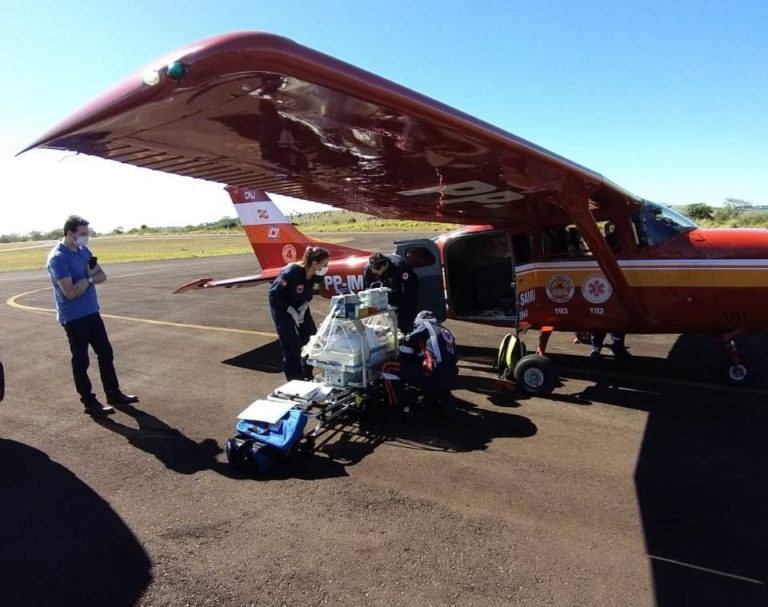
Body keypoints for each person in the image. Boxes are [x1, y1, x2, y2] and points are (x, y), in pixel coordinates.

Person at [46, 215, 139, 415]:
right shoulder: (58, 258)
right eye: (82, 234)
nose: (86, 238)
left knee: (106, 353)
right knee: (81, 360)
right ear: (70, 233)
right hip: (74, 318)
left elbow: (102, 276)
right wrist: (89, 279)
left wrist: (86, 280)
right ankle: (89, 402)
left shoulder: (83, 251)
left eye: (87, 234)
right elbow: (70, 293)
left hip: (91, 312)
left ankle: (113, 393)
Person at [269, 246, 330, 380]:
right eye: (324, 264)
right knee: (290, 344)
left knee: (311, 339)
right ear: (314, 264)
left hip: (300, 305)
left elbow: (310, 292)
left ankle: (306, 374)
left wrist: (305, 305)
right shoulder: (292, 272)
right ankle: (294, 380)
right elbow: (274, 294)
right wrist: (289, 309)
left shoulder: (318, 274)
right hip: (282, 307)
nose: (326, 267)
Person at [380, 310, 458, 410]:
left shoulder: (422, 325)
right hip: (451, 379)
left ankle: (397, 407)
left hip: (434, 377)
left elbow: (404, 353)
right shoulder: (445, 330)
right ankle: (441, 395)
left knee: (387, 367)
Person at [364, 252, 419, 333]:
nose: (379, 274)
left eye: (381, 271)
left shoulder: (399, 265)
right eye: (376, 272)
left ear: (385, 265)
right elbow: (369, 290)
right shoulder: (368, 269)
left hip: (405, 289)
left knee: (405, 318)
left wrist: (400, 306)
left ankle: (406, 335)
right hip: (387, 290)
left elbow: (410, 289)